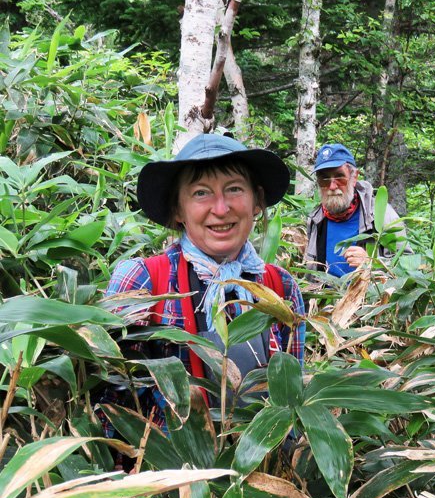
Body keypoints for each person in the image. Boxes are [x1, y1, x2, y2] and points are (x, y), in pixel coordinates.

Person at [102, 133, 305, 429]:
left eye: (234, 189)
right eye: (201, 193)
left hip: (259, 464)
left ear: (257, 202)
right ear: (178, 210)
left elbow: (291, 398)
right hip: (166, 469)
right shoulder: (143, 280)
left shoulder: (280, 287)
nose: (221, 209)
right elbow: (111, 406)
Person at [305, 143, 408, 277]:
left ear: (354, 178)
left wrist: (372, 264)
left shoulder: (381, 215)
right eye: (324, 180)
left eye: (339, 177)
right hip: (324, 296)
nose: (332, 186)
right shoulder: (316, 220)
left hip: (368, 296)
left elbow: (406, 268)